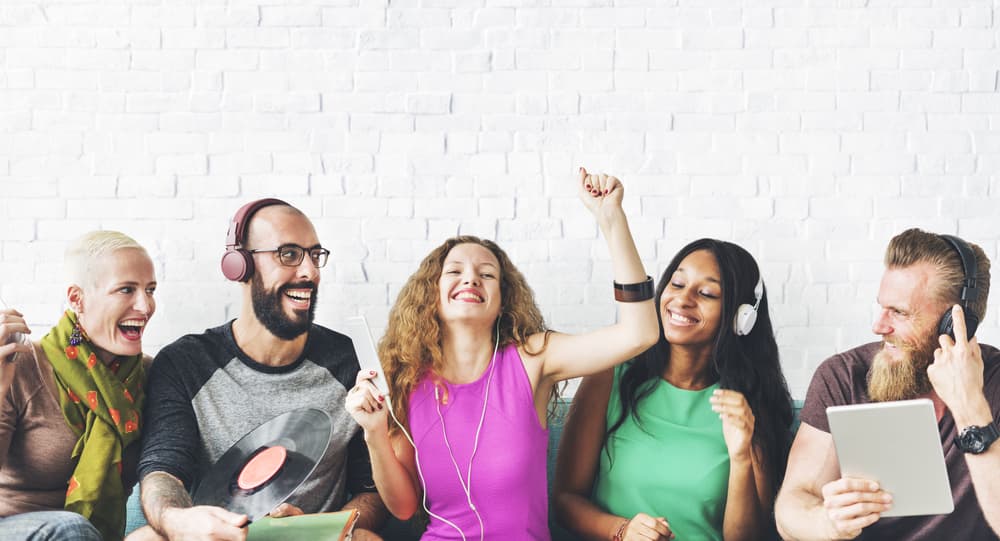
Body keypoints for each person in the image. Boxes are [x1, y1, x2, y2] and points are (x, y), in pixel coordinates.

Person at [345, 168, 660, 541]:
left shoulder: (533, 359)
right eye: (455, 271)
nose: (471, 279)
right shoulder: (407, 380)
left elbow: (639, 334)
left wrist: (612, 220)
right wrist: (374, 434)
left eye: (487, 274)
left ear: (503, 300)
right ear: (432, 293)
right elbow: (403, 507)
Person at [135, 199, 386, 540]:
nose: (310, 272)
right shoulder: (185, 363)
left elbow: (370, 488)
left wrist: (320, 530)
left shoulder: (349, 362)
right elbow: (163, 469)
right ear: (239, 266)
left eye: (315, 256)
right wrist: (179, 521)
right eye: (289, 254)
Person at [553, 239, 794, 541]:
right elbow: (565, 501)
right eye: (677, 284)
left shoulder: (746, 406)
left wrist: (741, 456)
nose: (683, 300)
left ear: (741, 317)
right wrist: (622, 530)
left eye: (706, 293)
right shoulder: (609, 376)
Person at [774, 229, 1000, 540]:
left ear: (957, 321)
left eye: (900, 312)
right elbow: (792, 506)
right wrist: (827, 523)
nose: (879, 326)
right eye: (882, 306)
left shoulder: (996, 383)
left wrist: (969, 406)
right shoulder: (843, 376)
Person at [0, 230, 157, 541]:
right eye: (126, 290)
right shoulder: (21, 364)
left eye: (150, 290)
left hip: (96, 535)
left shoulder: (150, 375)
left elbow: (175, 464)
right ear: (77, 299)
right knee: (70, 528)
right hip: (15, 528)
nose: (145, 306)